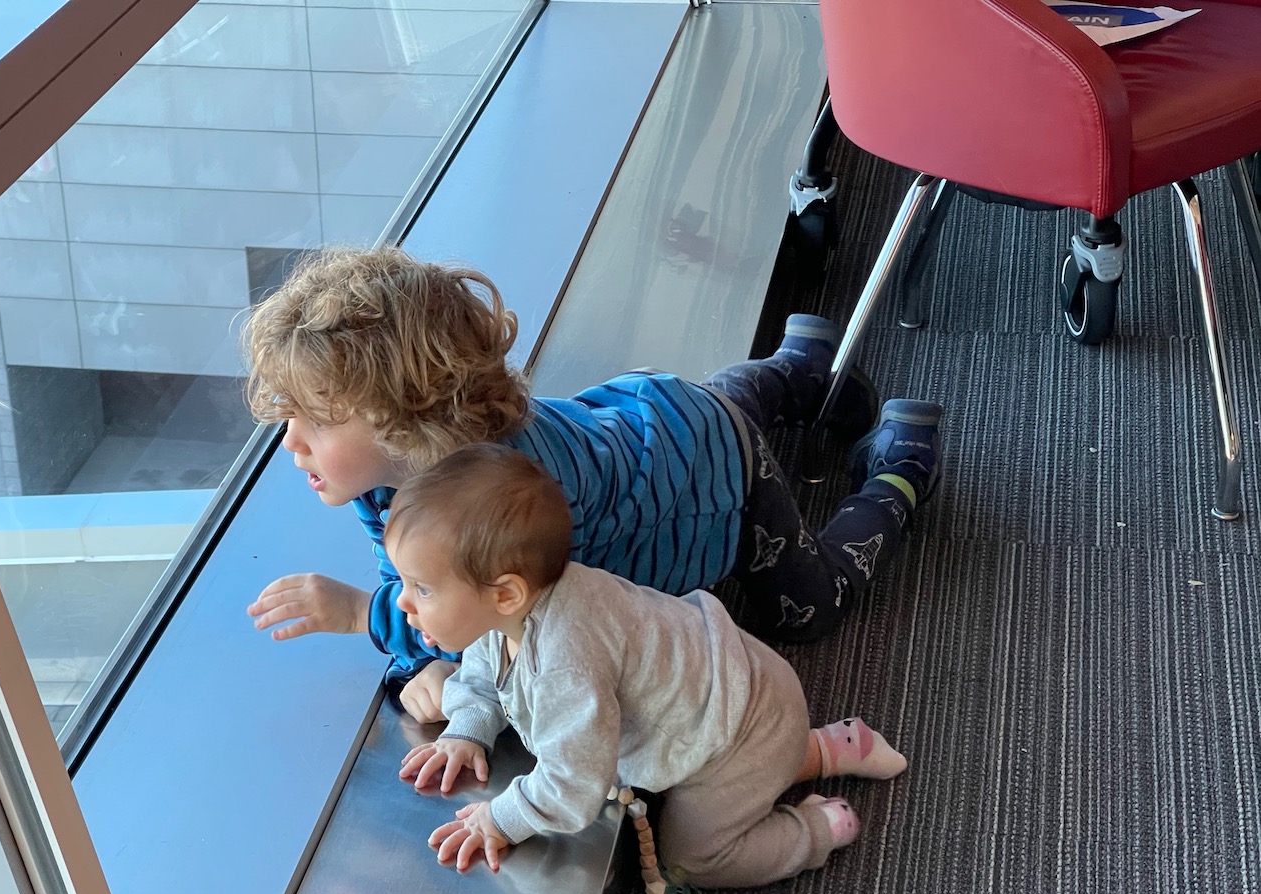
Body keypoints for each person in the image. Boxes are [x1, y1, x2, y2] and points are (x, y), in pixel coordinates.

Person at [243, 245, 944, 723]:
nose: (291, 441)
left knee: (806, 607)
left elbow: (490, 623)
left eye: (319, 420)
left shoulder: (503, 499)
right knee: (718, 407)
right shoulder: (383, 477)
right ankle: (799, 364)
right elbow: (420, 587)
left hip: (718, 478)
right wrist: (411, 662)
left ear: (406, 419)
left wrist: (363, 616)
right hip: (660, 412)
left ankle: (898, 474)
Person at [386, 444, 906, 882]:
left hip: (736, 732)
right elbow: (484, 663)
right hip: (741, 689)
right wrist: (468, 728)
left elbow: (573, 786)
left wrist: (500, 819)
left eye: (422, 588)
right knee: (752, 765)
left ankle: (819, 829)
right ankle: (831, 747)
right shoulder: (516, 605)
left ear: (505, 594)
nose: (403, 602)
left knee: (692, 860)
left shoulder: (567, 662)